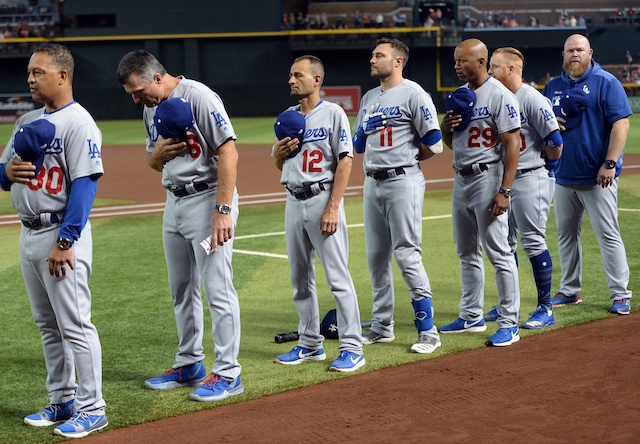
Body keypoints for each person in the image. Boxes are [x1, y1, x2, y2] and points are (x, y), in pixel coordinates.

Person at [116, 50, 244, 401]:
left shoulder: (199, 96)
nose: (137, 98)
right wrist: (153, 159)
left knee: (217, 287)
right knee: (181, 289)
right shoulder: (149, 109)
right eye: (131, 93)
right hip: (174, 203)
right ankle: (189, 363)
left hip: (208, 203)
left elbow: (229, 151)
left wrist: (223, 210)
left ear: (158, 77)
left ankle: (229, 372)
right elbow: (155, 161)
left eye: (139, 90)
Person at [0, 43, 108, 438]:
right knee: (47, 325)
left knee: (75, 324)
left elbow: (84, 187)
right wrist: (6, 171)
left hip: (61, 234)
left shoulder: (80, 124)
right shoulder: (25, 120)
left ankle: (93, 407)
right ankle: (62, 399)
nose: (29, 79)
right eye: (29, 72)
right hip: (28, 233)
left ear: (62, 75)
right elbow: (3, 173)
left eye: (37, 72)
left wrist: (66, 240)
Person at [272, 55, 365, 372]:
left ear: (316, 80)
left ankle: (353, 347)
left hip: (322, 198)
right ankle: (310, 343)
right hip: (292, 200)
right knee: (299, 279)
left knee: (338, 279)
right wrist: (277, 154)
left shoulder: (333, 113)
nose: (291, 80)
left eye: (297, 75)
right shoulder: (286, 117)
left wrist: (333, 207)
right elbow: (282, 165)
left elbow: (346, 160)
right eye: (290, 75)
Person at [352, 37, 444, 354]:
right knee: (376, 258)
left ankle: (428, 331)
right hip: (372, 182)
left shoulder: (414, 94)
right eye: (372, 55)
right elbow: (358, 146)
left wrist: (404, 158)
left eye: (379, 55)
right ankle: (381, 327)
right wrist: (364, 128)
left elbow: (434, 142)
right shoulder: (368, 98)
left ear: (397, 61)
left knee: (406, 253)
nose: (372, 60)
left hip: (402, 180)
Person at [439, 38, 522, 347]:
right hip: (461, 179)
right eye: (456, 61)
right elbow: (453, 142)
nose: (457, 66)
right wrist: (447, 128)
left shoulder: (500, 96)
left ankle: (509, 322)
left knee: (499, 252)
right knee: (466, 252)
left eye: (462, 61)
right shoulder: (461, 96)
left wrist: (505, 190)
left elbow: (512, 144)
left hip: (489, 178)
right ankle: (471, 315)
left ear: (480, 62)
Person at [542, 34, 633, 315]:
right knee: (566, 237)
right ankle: (570, 291)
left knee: (608, 235)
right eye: (570, 50)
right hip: (563, 175)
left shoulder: (606, 82)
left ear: (590, 52)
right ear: (563, 54)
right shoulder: (553, 86)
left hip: (597, 177)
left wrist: (610, 162)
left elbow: (621, 124)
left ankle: (621, 294)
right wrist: (551, 124)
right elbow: (541, 125)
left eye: (580, 50)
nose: (575, 55)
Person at [486, 47, 563, 330]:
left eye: (494, 67)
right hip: (504, 180)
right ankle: (509, 304)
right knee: (503, 244)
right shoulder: (496, 97)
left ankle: (545, 308)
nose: (490, 72)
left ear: (511, 70)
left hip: (531, 177)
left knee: (532, 241)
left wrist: (548, 169)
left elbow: (554, 140)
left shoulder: (531, 98)